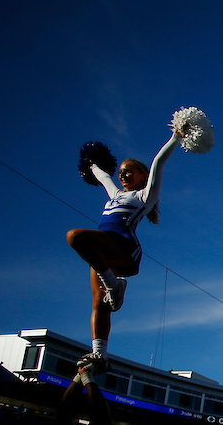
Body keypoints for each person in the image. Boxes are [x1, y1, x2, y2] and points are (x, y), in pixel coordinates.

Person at [68, 127, 181, 370]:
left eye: (129, 171)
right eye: (121, 172)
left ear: (142, 175)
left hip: (124, 248)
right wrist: (91, 162)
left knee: (75, 236)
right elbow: (102, 176)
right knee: (99, 302)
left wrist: (176, 137)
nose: (123, 175)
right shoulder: (115, 193)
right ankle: (99, 354)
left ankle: (114, 283)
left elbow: (159, 161)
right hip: (103, 249)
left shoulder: (145, 196)